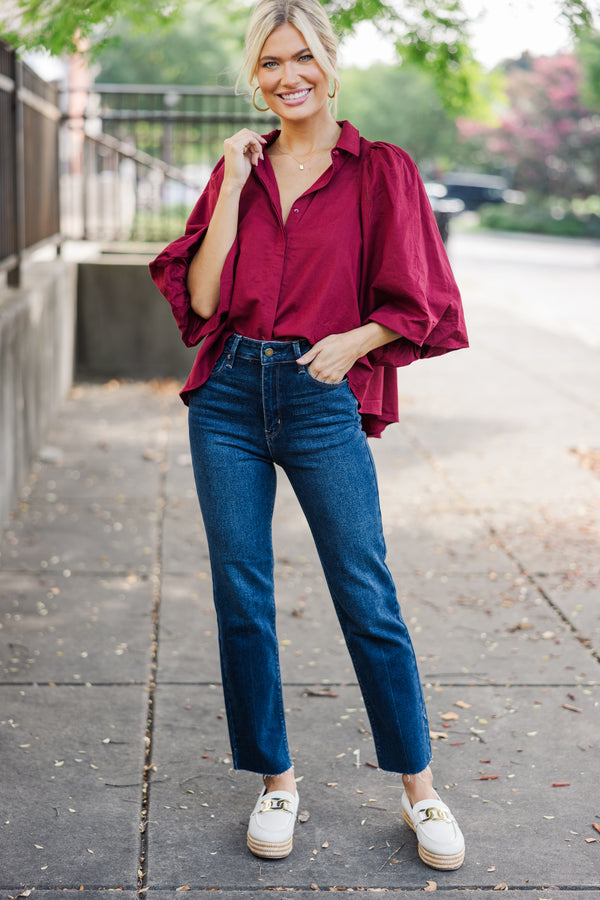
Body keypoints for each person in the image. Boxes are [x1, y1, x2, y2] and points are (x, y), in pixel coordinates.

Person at [149, 0, 468, 872]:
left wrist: (356, 340)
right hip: (227, 397)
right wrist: (229, 177)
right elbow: (207, 299)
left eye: (300, 58)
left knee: (366, 592)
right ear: (252, 77)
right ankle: (276, 781)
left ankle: (421, 788)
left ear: (328, 61)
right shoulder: (241, 169)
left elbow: (418, 299)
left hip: (320, 396)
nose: (286, 77)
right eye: (268, 64)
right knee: (242, 595)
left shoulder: (380, 171)